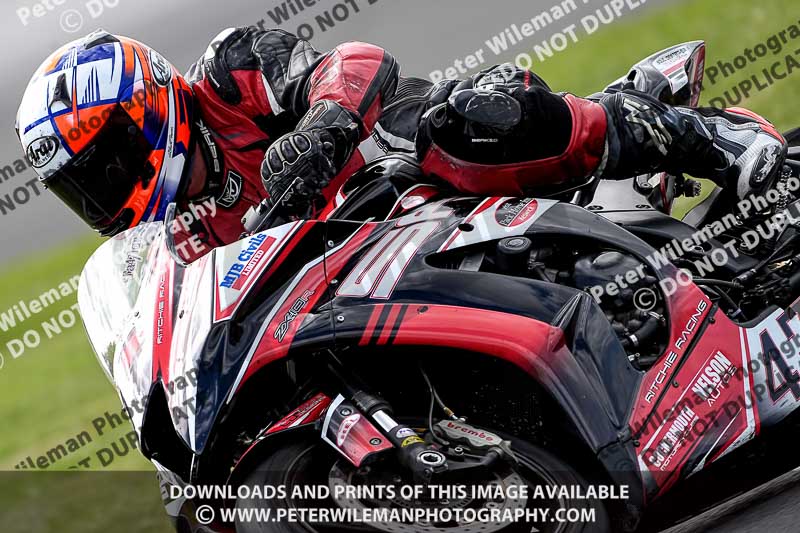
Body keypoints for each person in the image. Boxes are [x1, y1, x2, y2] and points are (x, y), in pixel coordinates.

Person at [16, 28, 787, 262]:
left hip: (427, 173)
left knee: (455, 126)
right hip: (363, 275)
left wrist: (322, 128)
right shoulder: (173, 243)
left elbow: (354, 62)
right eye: (84, 187)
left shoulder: (228, 71)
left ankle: (709, 138)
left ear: (144, 108)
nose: (105, 193)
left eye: (106, 164)